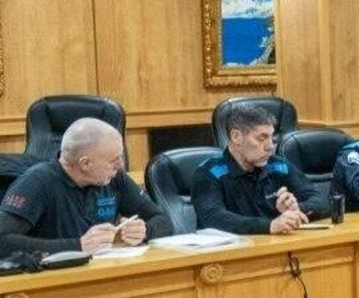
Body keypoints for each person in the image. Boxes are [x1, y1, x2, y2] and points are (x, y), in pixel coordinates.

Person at [0, 118, 172, 254]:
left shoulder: (114, 178)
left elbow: (163, 220)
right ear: (85, 163)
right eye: (114, 160)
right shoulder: (37, 182)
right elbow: (3, 241)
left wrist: (146, 230)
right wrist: (77, 246)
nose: (120, 166)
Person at [192, 104, 326, 234]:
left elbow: (322, 201)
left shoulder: (279, 166)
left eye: (272, 138)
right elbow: (213, 218)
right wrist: (269, 225)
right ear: (236, 137)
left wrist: (296, 209)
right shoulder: (210, 173)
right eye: (261, 138)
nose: (270, 146)